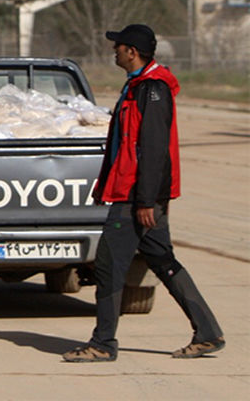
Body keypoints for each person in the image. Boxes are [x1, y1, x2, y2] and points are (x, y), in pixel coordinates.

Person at [63, 24, 224, 363]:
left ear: (132, 52)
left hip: (136, 197)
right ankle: (208, 332)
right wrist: (104, 184)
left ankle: (103, 343)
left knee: (108, 264)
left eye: (118, 47)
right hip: (130, 192)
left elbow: (153, 149)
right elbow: (123, 144)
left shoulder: (153, 88)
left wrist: (146, 201)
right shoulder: (136, 86)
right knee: (163, 261)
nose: (114, 51)